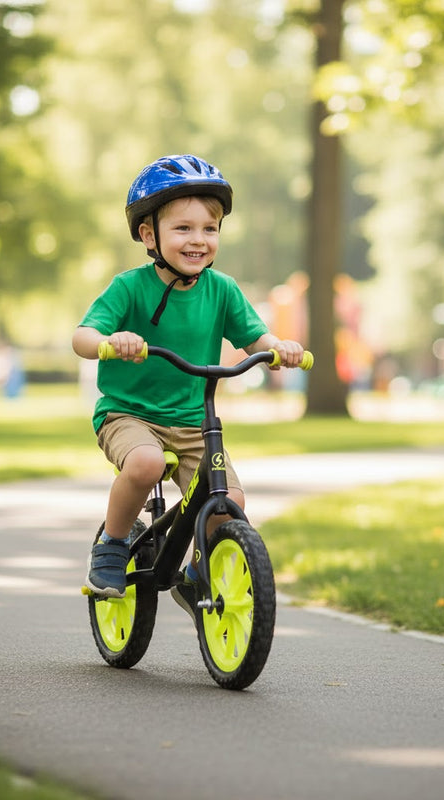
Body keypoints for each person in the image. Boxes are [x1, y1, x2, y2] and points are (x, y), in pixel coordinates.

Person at [72, 154, 304, 614]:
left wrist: (279, 347)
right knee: (144, 464)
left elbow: (254, 334)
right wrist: (110, 341)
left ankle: (198, 571)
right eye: (183, 229)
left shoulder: (222, 290)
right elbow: (82, 337)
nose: (198, 239)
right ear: (148, 235)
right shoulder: (129, 287)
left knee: (228, 499)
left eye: (209, 229)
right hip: (128, 413)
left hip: (192, 418)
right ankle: (113, 544)